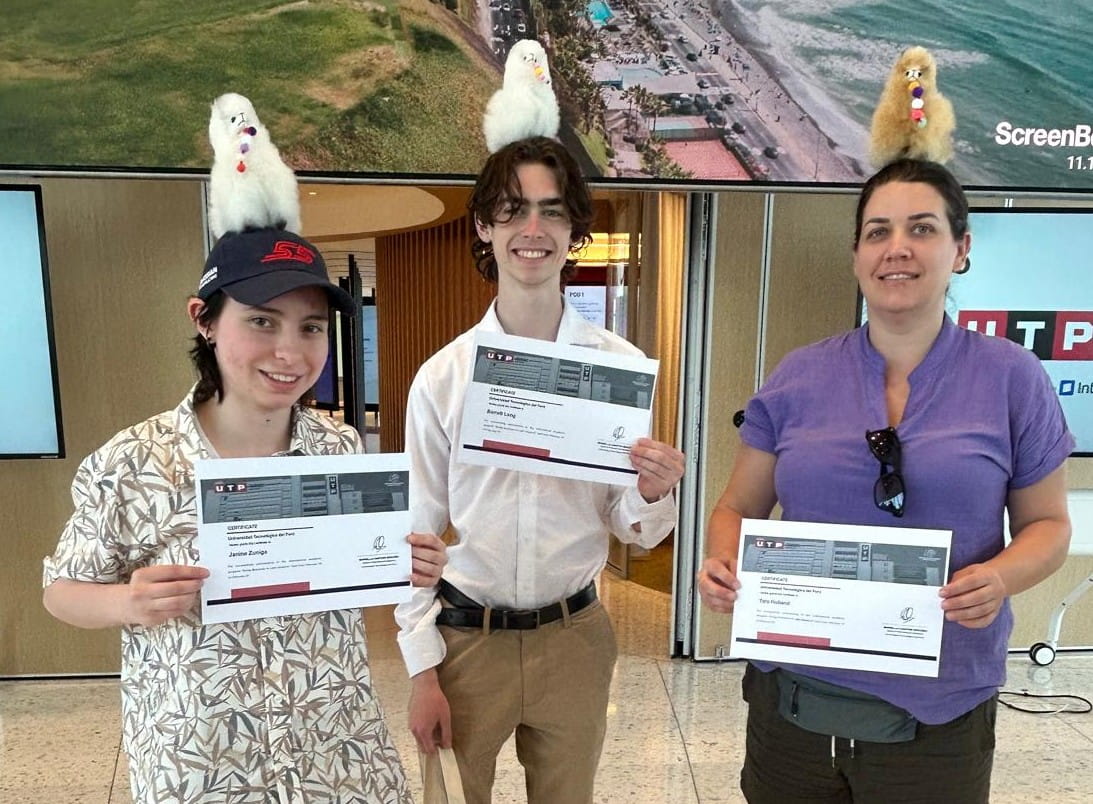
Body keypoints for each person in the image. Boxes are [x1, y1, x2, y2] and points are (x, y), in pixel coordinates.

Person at [698, 158, 1073, 803]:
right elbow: (737, 506)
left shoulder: (1013, 379)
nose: (896, 248)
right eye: (877, 232)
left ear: (961, 249)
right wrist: (723, 561)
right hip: (794, 711)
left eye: (921, 229)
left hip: (939, 717)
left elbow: (1049, 526)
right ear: (856, 254)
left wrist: (1001, 578)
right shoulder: (798, 377)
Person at [42, 227, 448, 803]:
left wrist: (400, 561)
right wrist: (127, 601)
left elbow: (347, 576)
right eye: (262, 320)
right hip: (204, 765)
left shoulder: (339, 448)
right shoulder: (133, 461)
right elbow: (60, 591)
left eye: (310, 328)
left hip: (336, 756)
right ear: (204, 320)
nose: (291, 352)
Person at [395, 136, 686, 804]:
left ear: (573, 229)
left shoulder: (613, 369)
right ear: (483, 227)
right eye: (512, 210)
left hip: (574, 638)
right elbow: (413, 532)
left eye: (552, 212)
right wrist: (420, 670)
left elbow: (633, 529)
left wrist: (649, 491)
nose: (532, 229)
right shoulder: (444, 378)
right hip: (467, 641)